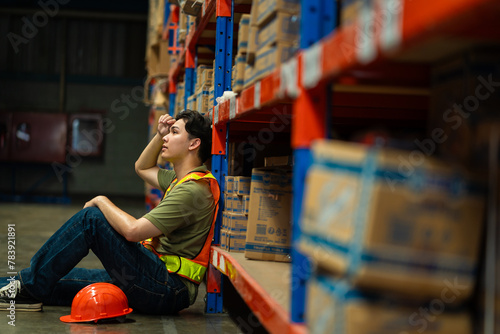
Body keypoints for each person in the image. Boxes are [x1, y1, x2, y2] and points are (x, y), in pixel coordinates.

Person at [0, 109, 220, 315]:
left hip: (167, 288)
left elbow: (133, 232)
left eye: (174, 132)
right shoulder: (180, 180)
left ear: (194, 143)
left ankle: (26, 289)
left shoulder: (192, 190)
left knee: (91, 220)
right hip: (154, 276)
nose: (166, 138)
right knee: (56, 281)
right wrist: (158, 134)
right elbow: (142, 167)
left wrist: (101, 200)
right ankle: (19, 288)